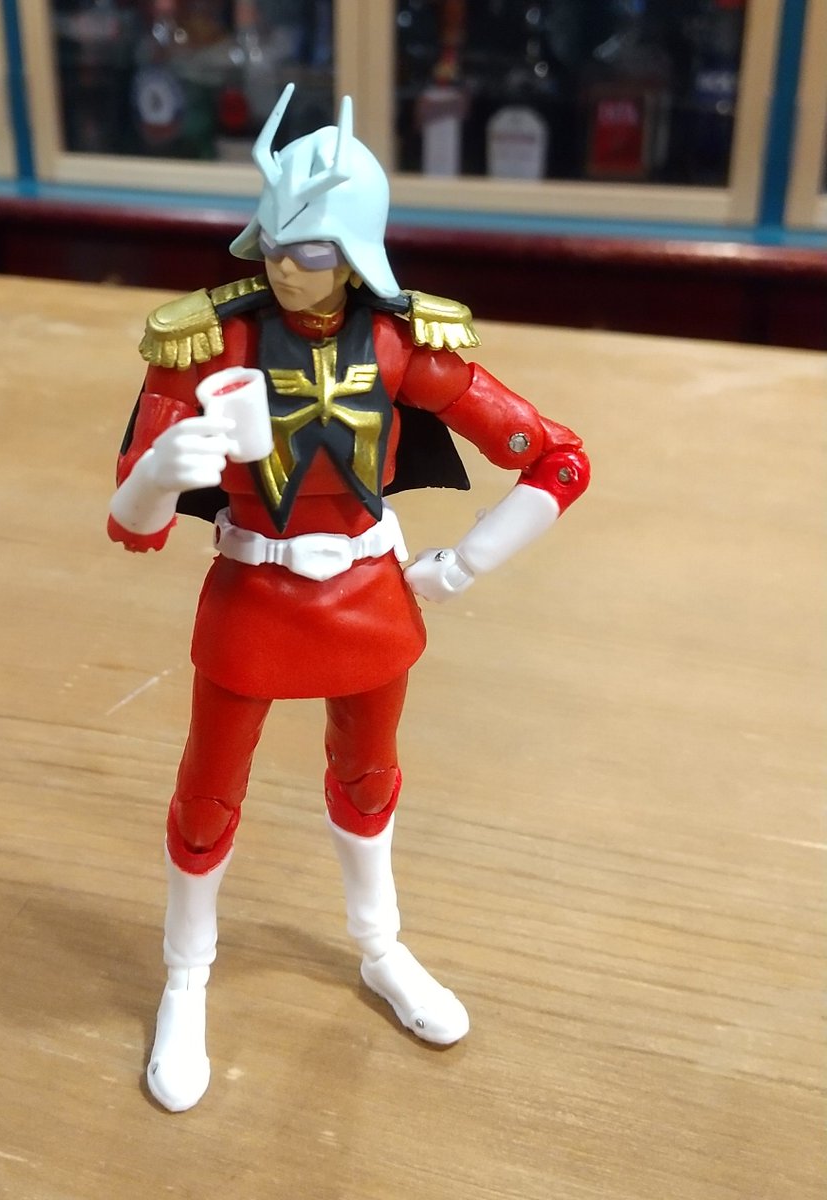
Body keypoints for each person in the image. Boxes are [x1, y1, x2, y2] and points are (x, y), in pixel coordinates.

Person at [108, 84, 589, 1112]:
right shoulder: (208, 342)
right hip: (252, 592)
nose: (287, 268)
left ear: (358, 250)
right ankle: (186, 975)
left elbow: (557, 459)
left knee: (368, 783)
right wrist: (160, 473)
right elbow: (132, 525)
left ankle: (380, 945)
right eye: (275, 244)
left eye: (314, 249)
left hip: (370, 593)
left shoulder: (403, 344)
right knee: (207, 796)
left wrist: (464, 565)